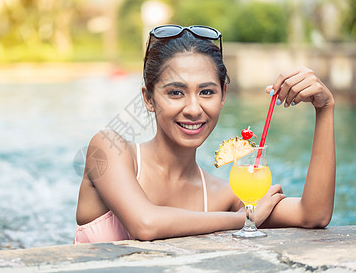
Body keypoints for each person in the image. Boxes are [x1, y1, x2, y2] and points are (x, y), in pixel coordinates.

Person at [74, 25, 336, 244]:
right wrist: (242, 219)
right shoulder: (109, 149)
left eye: (207, 92)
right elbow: (145, 224)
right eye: (175, 92)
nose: (193, 108)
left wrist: (325, 110)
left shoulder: (224, 195)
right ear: (148, 98)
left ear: (223, 95)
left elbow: (312, 215)